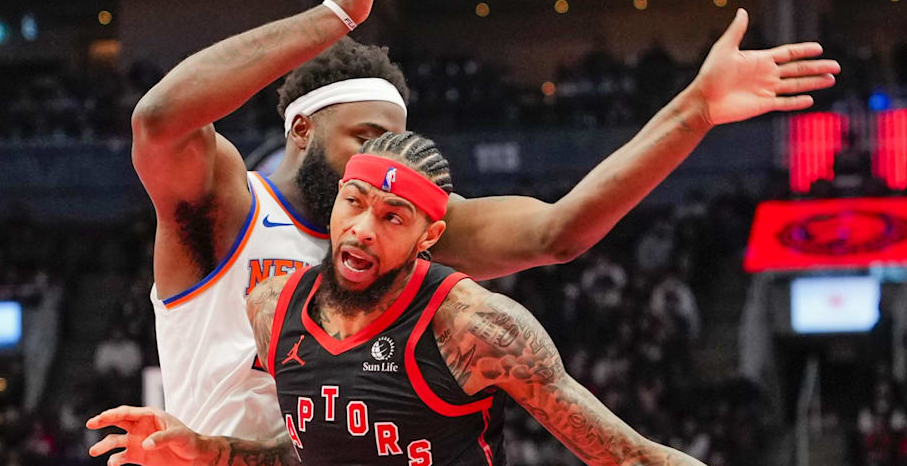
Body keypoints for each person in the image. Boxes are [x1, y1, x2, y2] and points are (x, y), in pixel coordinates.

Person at [131, 0, 839, 442]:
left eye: (394, 145)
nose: (382, 162)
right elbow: (159, 120)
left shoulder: (405, 228)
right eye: (365, 138)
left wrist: (695, 111)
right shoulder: (226, 209)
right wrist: (334, 15)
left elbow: (558, 232)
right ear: (302, 129)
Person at [87, 132, 708, 465]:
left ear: (428, 238)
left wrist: (698, 109)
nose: (362, 229)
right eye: (354, 203)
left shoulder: (474, 326)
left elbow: (630, 457)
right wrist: (206, 451)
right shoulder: (273, 308)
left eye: (392, 217)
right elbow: (310, 455)